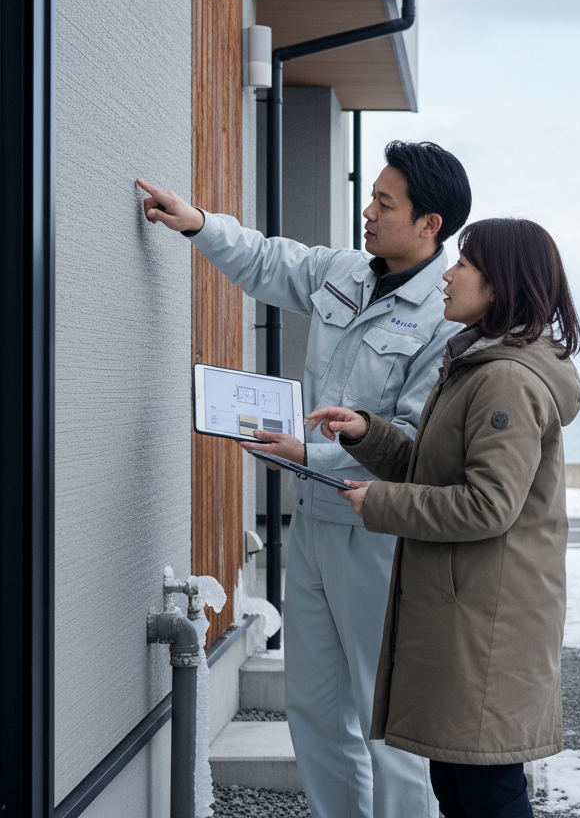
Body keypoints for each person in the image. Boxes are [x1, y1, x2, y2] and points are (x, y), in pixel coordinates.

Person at [137, 141, 472, 818]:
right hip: (312, 526)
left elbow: (409, 442)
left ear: (429, 224)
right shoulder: (345, 272)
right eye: (372, 195)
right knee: (314, 712)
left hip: (379, 534)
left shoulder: (445, 321)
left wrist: (306, 454)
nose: (368, 212)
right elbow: (267, 259)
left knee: (389, 724)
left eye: (385, 202)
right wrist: (199, 222)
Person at [305, 218, 580, 818]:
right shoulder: (476, 364)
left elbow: (488, 504)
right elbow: (434, 467)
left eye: (464, 265)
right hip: (465, 617)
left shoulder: (505, 379)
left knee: (487, 795)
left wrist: (379, 503)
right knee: (457, 789)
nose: (447, 276)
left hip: (487, 626)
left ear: (499, 285)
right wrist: (367, 432)